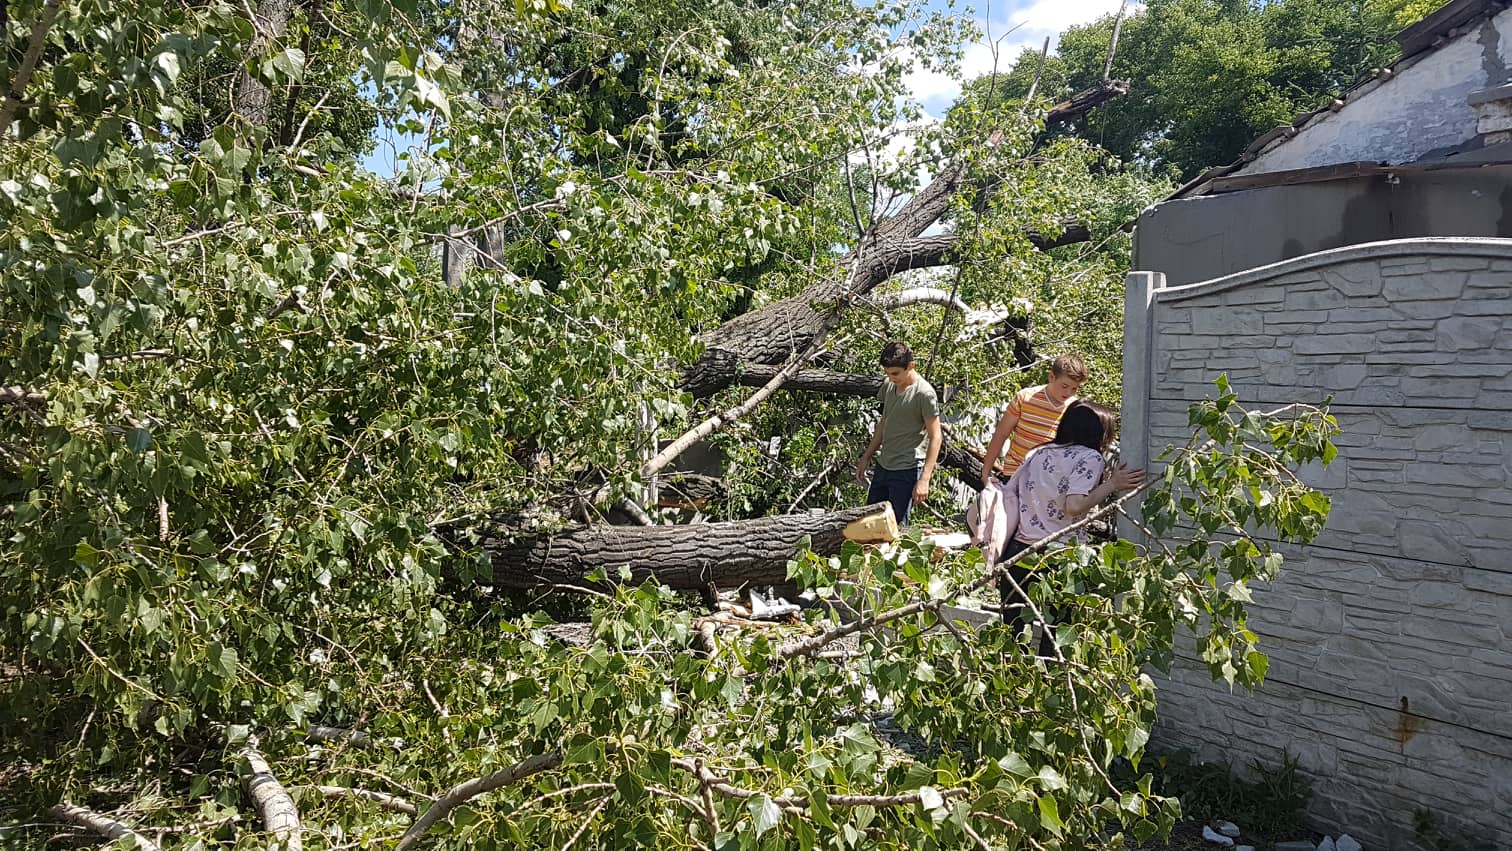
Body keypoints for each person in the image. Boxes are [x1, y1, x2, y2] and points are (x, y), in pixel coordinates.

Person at [997, 401, 1144, 654]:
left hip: (1019, 550)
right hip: (1059, 555)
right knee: (1056, 637)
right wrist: (1112, 485)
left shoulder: (1039, 453)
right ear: (1100, 433)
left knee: (1012, 634)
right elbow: (1074, 506)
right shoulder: (1090, 457)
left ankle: (1009, 689)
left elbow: (1014, 491)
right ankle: (1051, 687)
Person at [854, 341, 942, 528]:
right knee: (870, 524)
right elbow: (884, 422)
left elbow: (936, 436)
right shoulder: (889, 385)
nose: (891, 378)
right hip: (884, 465)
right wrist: (867, 456)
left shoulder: (924, 394)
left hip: (907, 470)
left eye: (895, 373)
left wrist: (925, 479)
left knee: (896, 528)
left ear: (910, 366)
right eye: (887, 373)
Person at [980, 354, 1089, 485]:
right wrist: (985, 472)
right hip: (1015, 473)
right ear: (1052, 377)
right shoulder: (1025, 397)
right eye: (1064, 386)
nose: (1069, 392)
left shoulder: (1075, 409)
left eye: (1074, 388)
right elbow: (1001, 434)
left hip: (1049, 480)